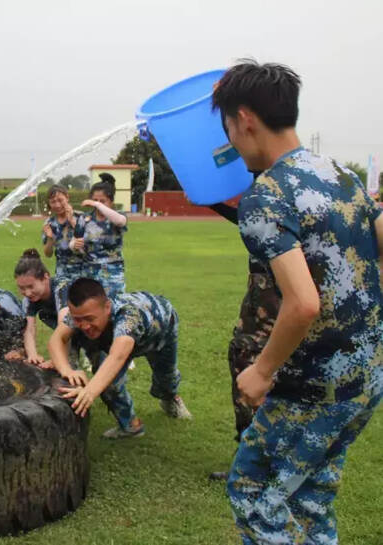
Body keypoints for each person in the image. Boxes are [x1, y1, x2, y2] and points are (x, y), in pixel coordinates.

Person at [212, 60, 383, 544]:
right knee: (309, 500)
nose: (230, 141)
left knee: (251, 489)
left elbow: (303, 303)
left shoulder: (266, 195)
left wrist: (261, 371)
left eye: (227, 127)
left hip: (312, 389)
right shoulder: (338, 174)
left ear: (245, 118)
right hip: (365, 378)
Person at [52, 278, 191, 438]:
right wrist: (67, 370)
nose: (83, 326)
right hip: (116, 339)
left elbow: (117, 357)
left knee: (166, 376)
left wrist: (89, 392)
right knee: (107, 381)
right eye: (78, 319)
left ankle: (170, 398)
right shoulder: (80, 314)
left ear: (107, 307)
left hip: (160, 331)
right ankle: (131, 426)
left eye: (90, 319)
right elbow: (56, 339)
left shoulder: (128, 316)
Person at [206, 199, 280, 482]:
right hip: (262, 295)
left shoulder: (282, 196)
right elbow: (247, 219)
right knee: (243, 362)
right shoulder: (275, 198)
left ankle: (258, 466)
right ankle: (253, 461)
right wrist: (213, 203)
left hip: (271, 298)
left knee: (249, 366)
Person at [74, 178, 128, 298]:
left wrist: (97, 204)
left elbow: (120, 222)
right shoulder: (85, 218)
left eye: (103, 201)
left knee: (114, 308)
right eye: (95, 200)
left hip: (113, 274)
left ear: (111, 202)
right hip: (90, 274)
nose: (97, 204)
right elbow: (75, 241)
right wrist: (75, 245)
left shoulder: (117, 216)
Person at [13, 249, 64, 368]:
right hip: (71, 333)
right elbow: (29, 329)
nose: (27, 292)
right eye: (22, 288)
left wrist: (57, 360)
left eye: (31, 286)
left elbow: (65, 327)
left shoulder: (61, 289)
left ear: (45, 277)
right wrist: (32, 355)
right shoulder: (30, 299)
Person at [41, 185, 85, 305]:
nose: (57, 204)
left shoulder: (81, 217)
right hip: (62, 272)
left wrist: (72, 222)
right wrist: (50, 238)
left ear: (67, 198)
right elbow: (48, 254)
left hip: (84, 271)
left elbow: (91, 244)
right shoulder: (49, 223)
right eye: (53, 202)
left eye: (60, 200)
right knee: (65, 305)